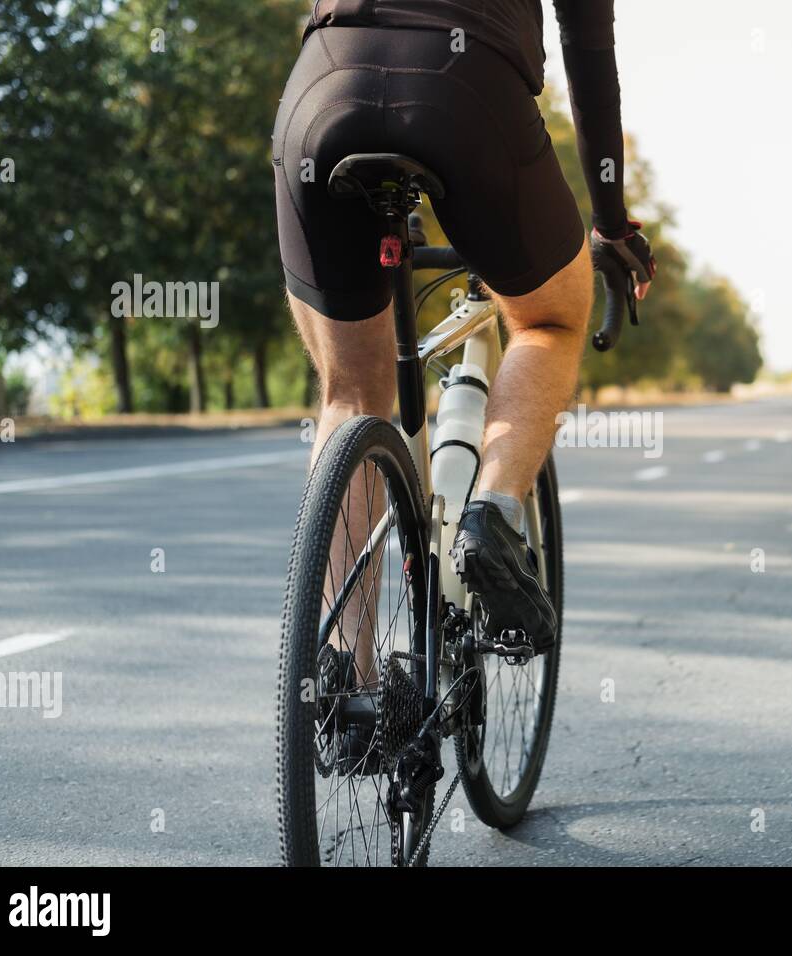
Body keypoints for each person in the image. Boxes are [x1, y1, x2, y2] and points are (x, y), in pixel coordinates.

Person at [272, 0, 656, 670]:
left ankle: (339, 668)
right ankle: (495, 516)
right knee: (548, 317)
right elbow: (590, 55)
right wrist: (612, 224)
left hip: (324, 89)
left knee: (351, 392)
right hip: (465, 90)